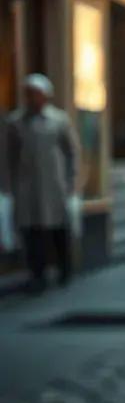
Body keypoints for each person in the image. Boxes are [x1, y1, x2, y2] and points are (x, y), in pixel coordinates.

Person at [3, 74, 79, 294]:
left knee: (58, 229)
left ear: (46, 96)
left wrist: (72, 180)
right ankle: (38, 274)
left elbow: (71, 151)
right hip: (27, 186)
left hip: (54, 184)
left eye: (36, 94)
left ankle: (65, 269)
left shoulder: (59, 120)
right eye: (28, 93)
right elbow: (8, 157)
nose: (32, 98)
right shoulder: (15, 122)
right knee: (32, 232)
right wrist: (7, 187)